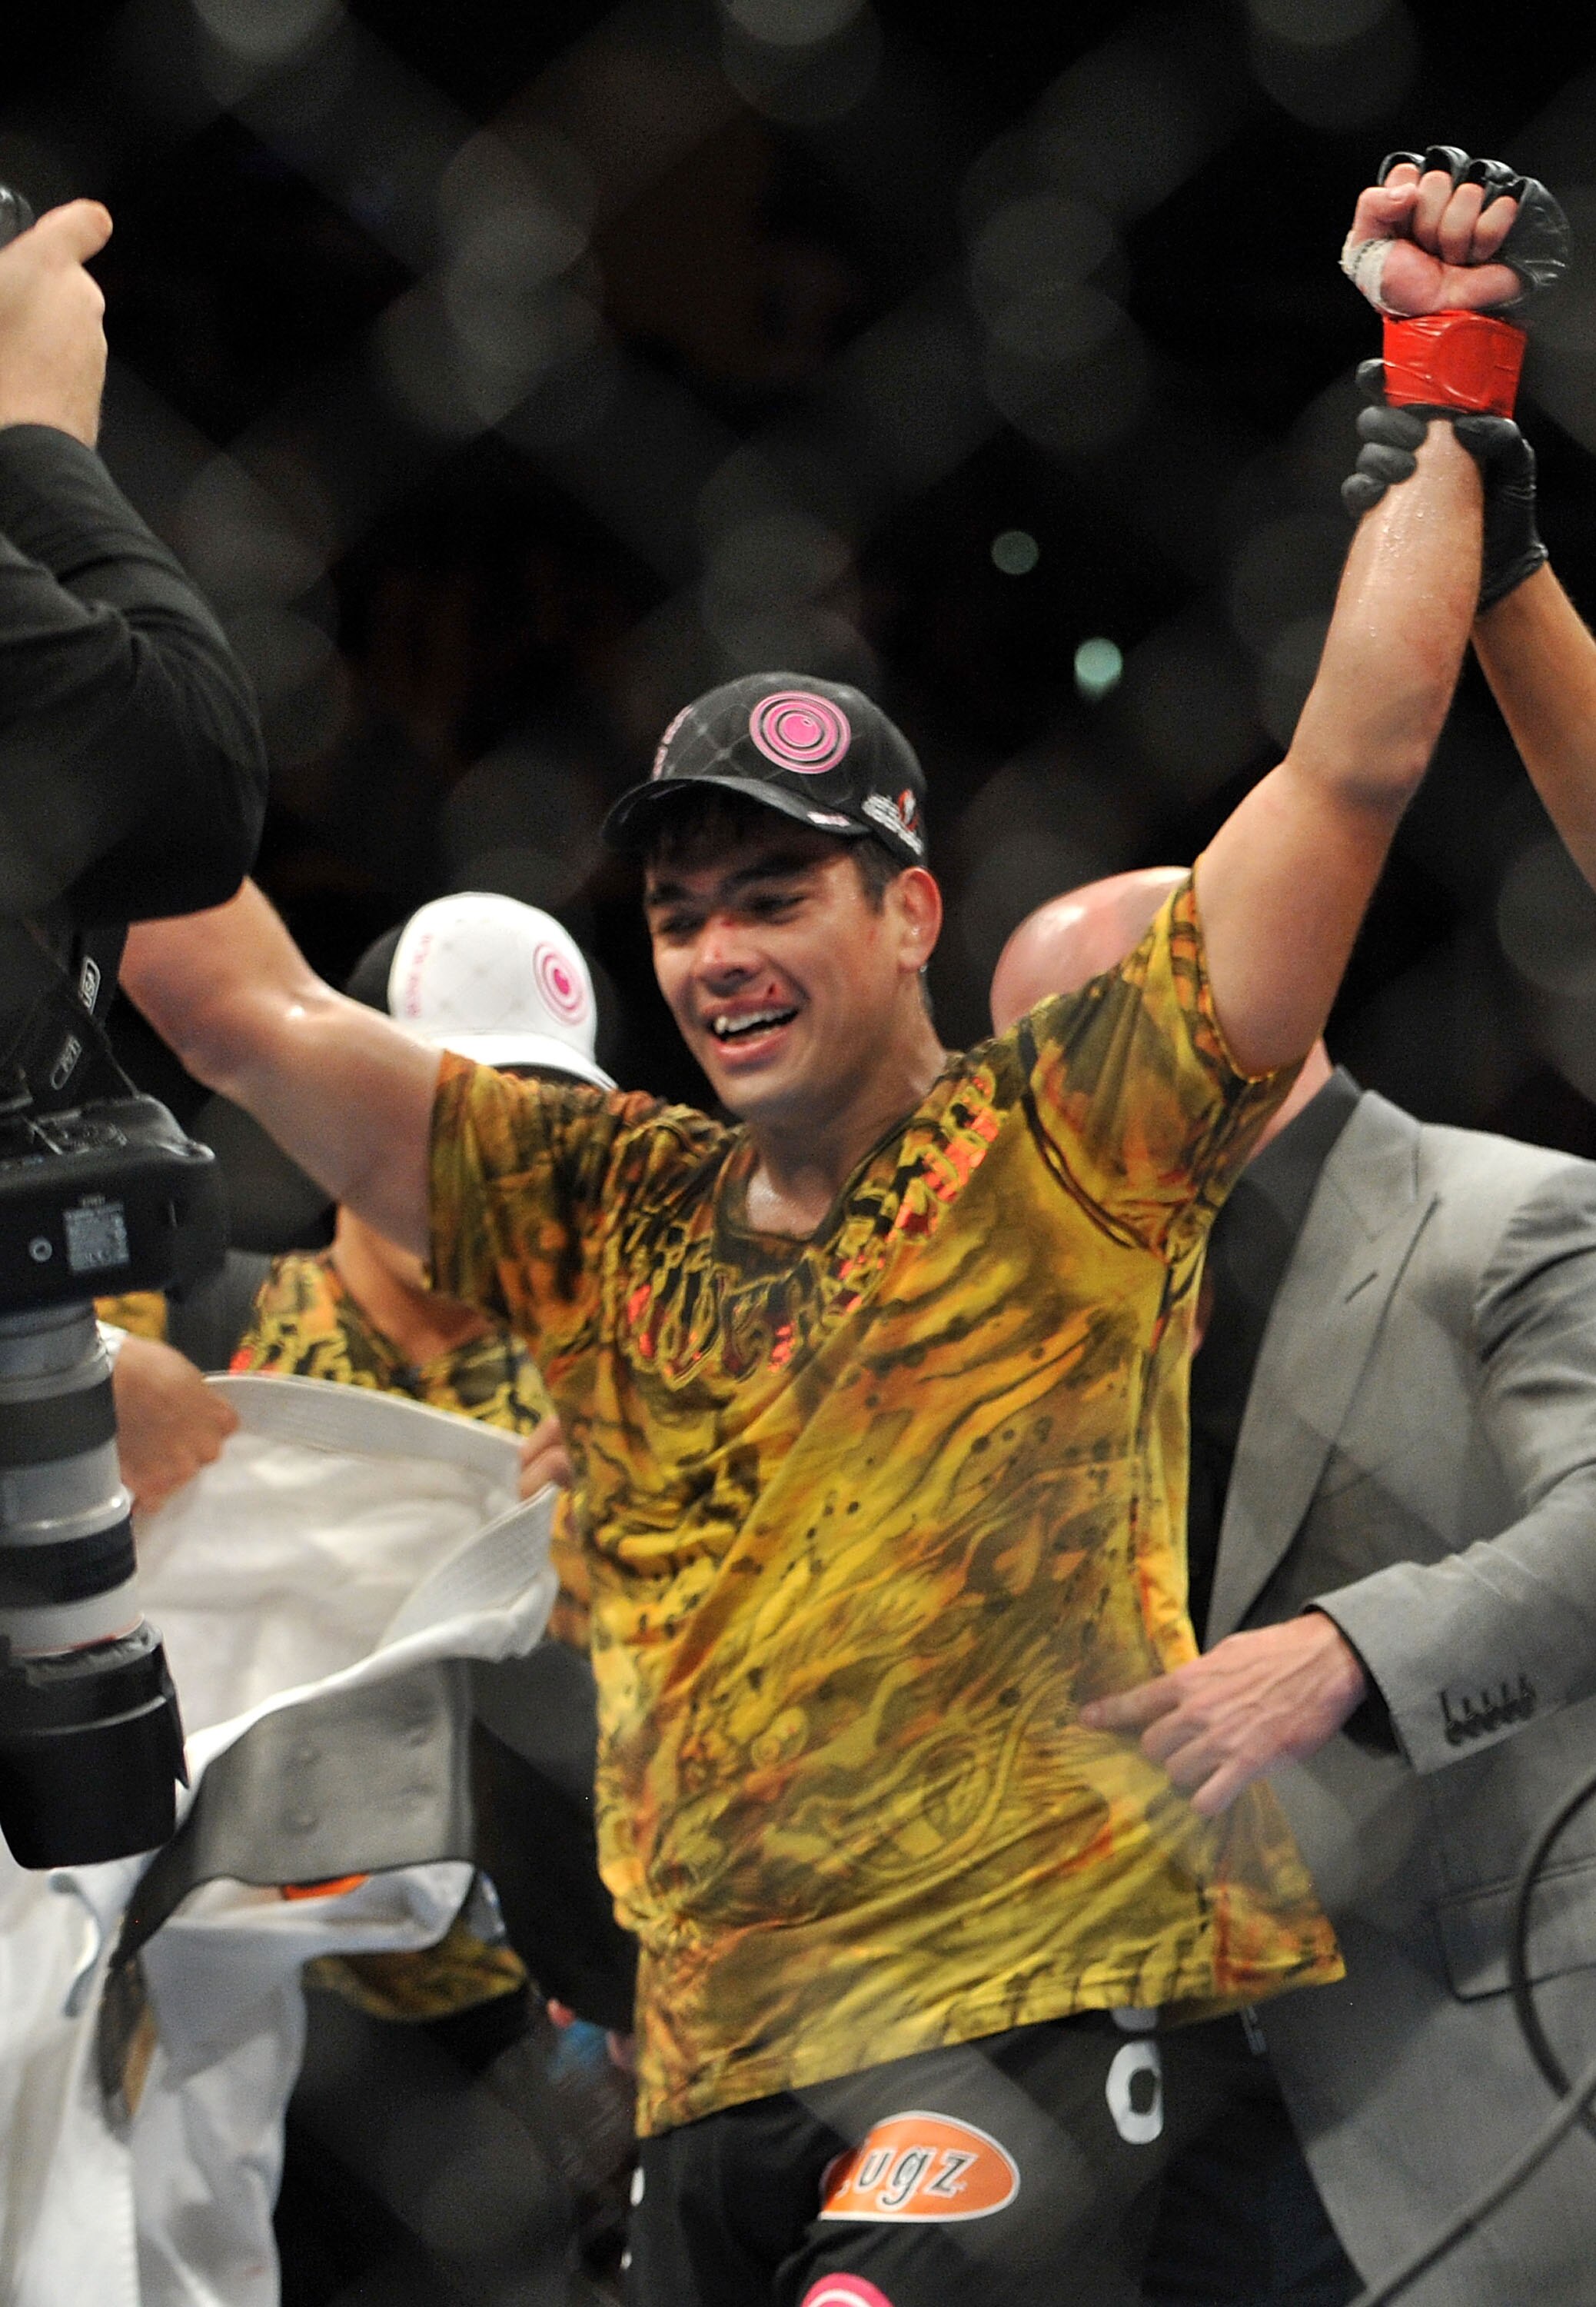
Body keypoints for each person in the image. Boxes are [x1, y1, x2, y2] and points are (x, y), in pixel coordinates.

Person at [117, 154, 1496, 2307]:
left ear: (911, 908)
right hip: (706, 2076)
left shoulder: (1070, 1138)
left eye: (776, 895)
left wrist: (1444, 374)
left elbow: (1350, 762)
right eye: (679, 910)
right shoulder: (598, 1205)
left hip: (1023, 2016)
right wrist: (41, 510)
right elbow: (233, 1000)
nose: (715, 951)